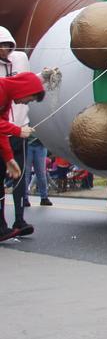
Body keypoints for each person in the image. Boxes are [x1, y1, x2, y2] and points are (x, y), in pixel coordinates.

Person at [0, 72, 43, 241]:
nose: (26, 103)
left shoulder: (6, 100)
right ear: (25, 89)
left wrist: (9, 159)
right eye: (30, 99)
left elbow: (1, 132)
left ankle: (1, 228)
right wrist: (18, 130)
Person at [1, 28, 35, 226]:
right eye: (1, 45)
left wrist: (44, 77)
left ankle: (20, 220)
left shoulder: (21, 58)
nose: (5, 49)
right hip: (4, 131)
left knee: (21, 175)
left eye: (7, 45)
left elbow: (28, 83)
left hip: (21, 127)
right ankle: (2, 223)